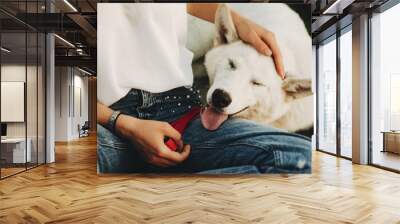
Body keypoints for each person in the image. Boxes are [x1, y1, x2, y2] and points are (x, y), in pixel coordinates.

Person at [97, 3, 311, 174]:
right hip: (109, 120)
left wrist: (239, 20)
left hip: (180, 109)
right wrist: (125, 125)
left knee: (301, 159)